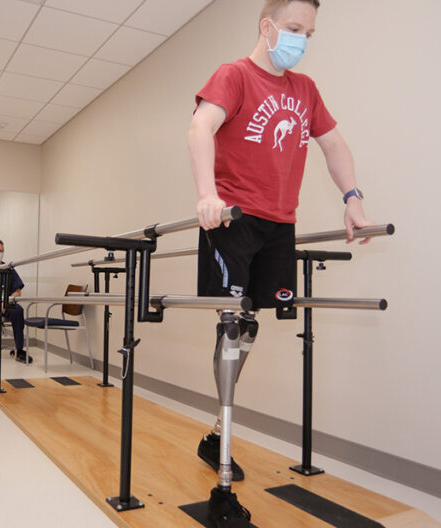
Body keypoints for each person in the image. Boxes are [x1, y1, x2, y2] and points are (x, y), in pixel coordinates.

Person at [187, 0, 375, 525]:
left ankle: (215, 435)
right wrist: (207, 195)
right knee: (233, 322)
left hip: (280, 224)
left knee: (250, 328)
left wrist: (353, 198)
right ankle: (222, 480)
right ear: (267, 26)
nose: (301, 40)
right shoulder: (235, 75)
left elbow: (333, 144)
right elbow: (200, 128)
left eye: (308, 32)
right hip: (234, 219)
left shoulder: (305, 89)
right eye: (293, 29)